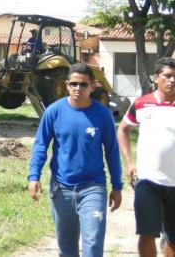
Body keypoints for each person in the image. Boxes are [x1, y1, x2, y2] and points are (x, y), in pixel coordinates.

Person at [28, 63, 123, 257]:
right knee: (67, 248)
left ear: (93, 86)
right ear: (66, 85)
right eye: (73, 84)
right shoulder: (53, 112)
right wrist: (33, 176)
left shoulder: (103, 115)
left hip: (93, 187)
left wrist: (117, 185)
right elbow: (40, 146)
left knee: (93, 243)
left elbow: (112, 152)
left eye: (83, 85)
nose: (78, 89)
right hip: (61, 188)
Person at [117, 57, 175, 257]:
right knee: (147, 233)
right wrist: (129, 163)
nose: (172, 80)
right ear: (156, 77)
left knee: (173, 238)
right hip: (148, 180)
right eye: (167, 76)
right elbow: (123, 130)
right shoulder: (142, 104)